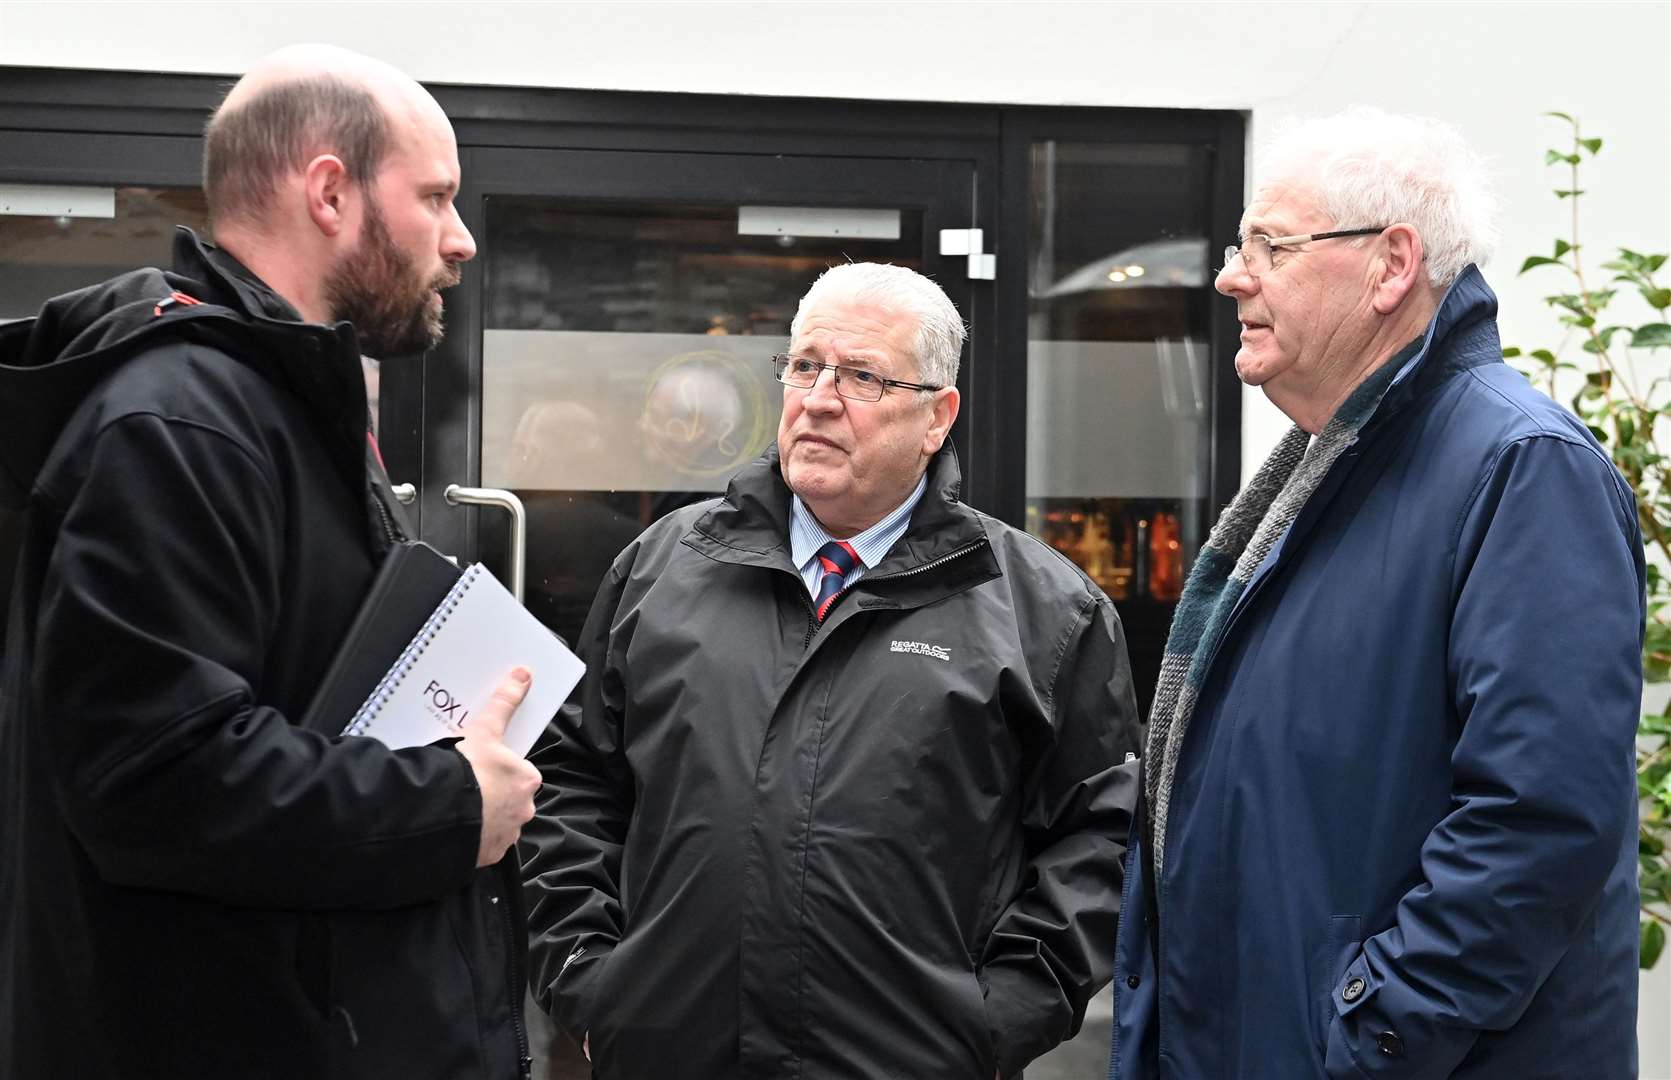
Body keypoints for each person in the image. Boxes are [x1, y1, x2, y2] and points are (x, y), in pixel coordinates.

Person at [0, 45, 543, 1079]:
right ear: (330, 191)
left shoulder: (274, 409)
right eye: (435, 197)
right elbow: (156, 779)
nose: (462, 240)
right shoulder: (181, 426)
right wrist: (451, 806)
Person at [1108, 108, 1644, 1079]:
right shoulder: (1329, 475)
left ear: (1391, 266)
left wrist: (1370, 1035)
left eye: (1271, 246)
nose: (1234, 276)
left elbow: (1538, 823)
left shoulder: (1521, 469)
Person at [523, 262, 1142, 1079]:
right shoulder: (662, 568)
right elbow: (571, 780)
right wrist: (589, 981)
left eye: (861, 376)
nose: (818, 397)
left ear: (936, 417)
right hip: (667, 1051)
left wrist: (994, 1023)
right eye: (805, 365)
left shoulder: (1045, 611)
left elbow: (1099, 840)